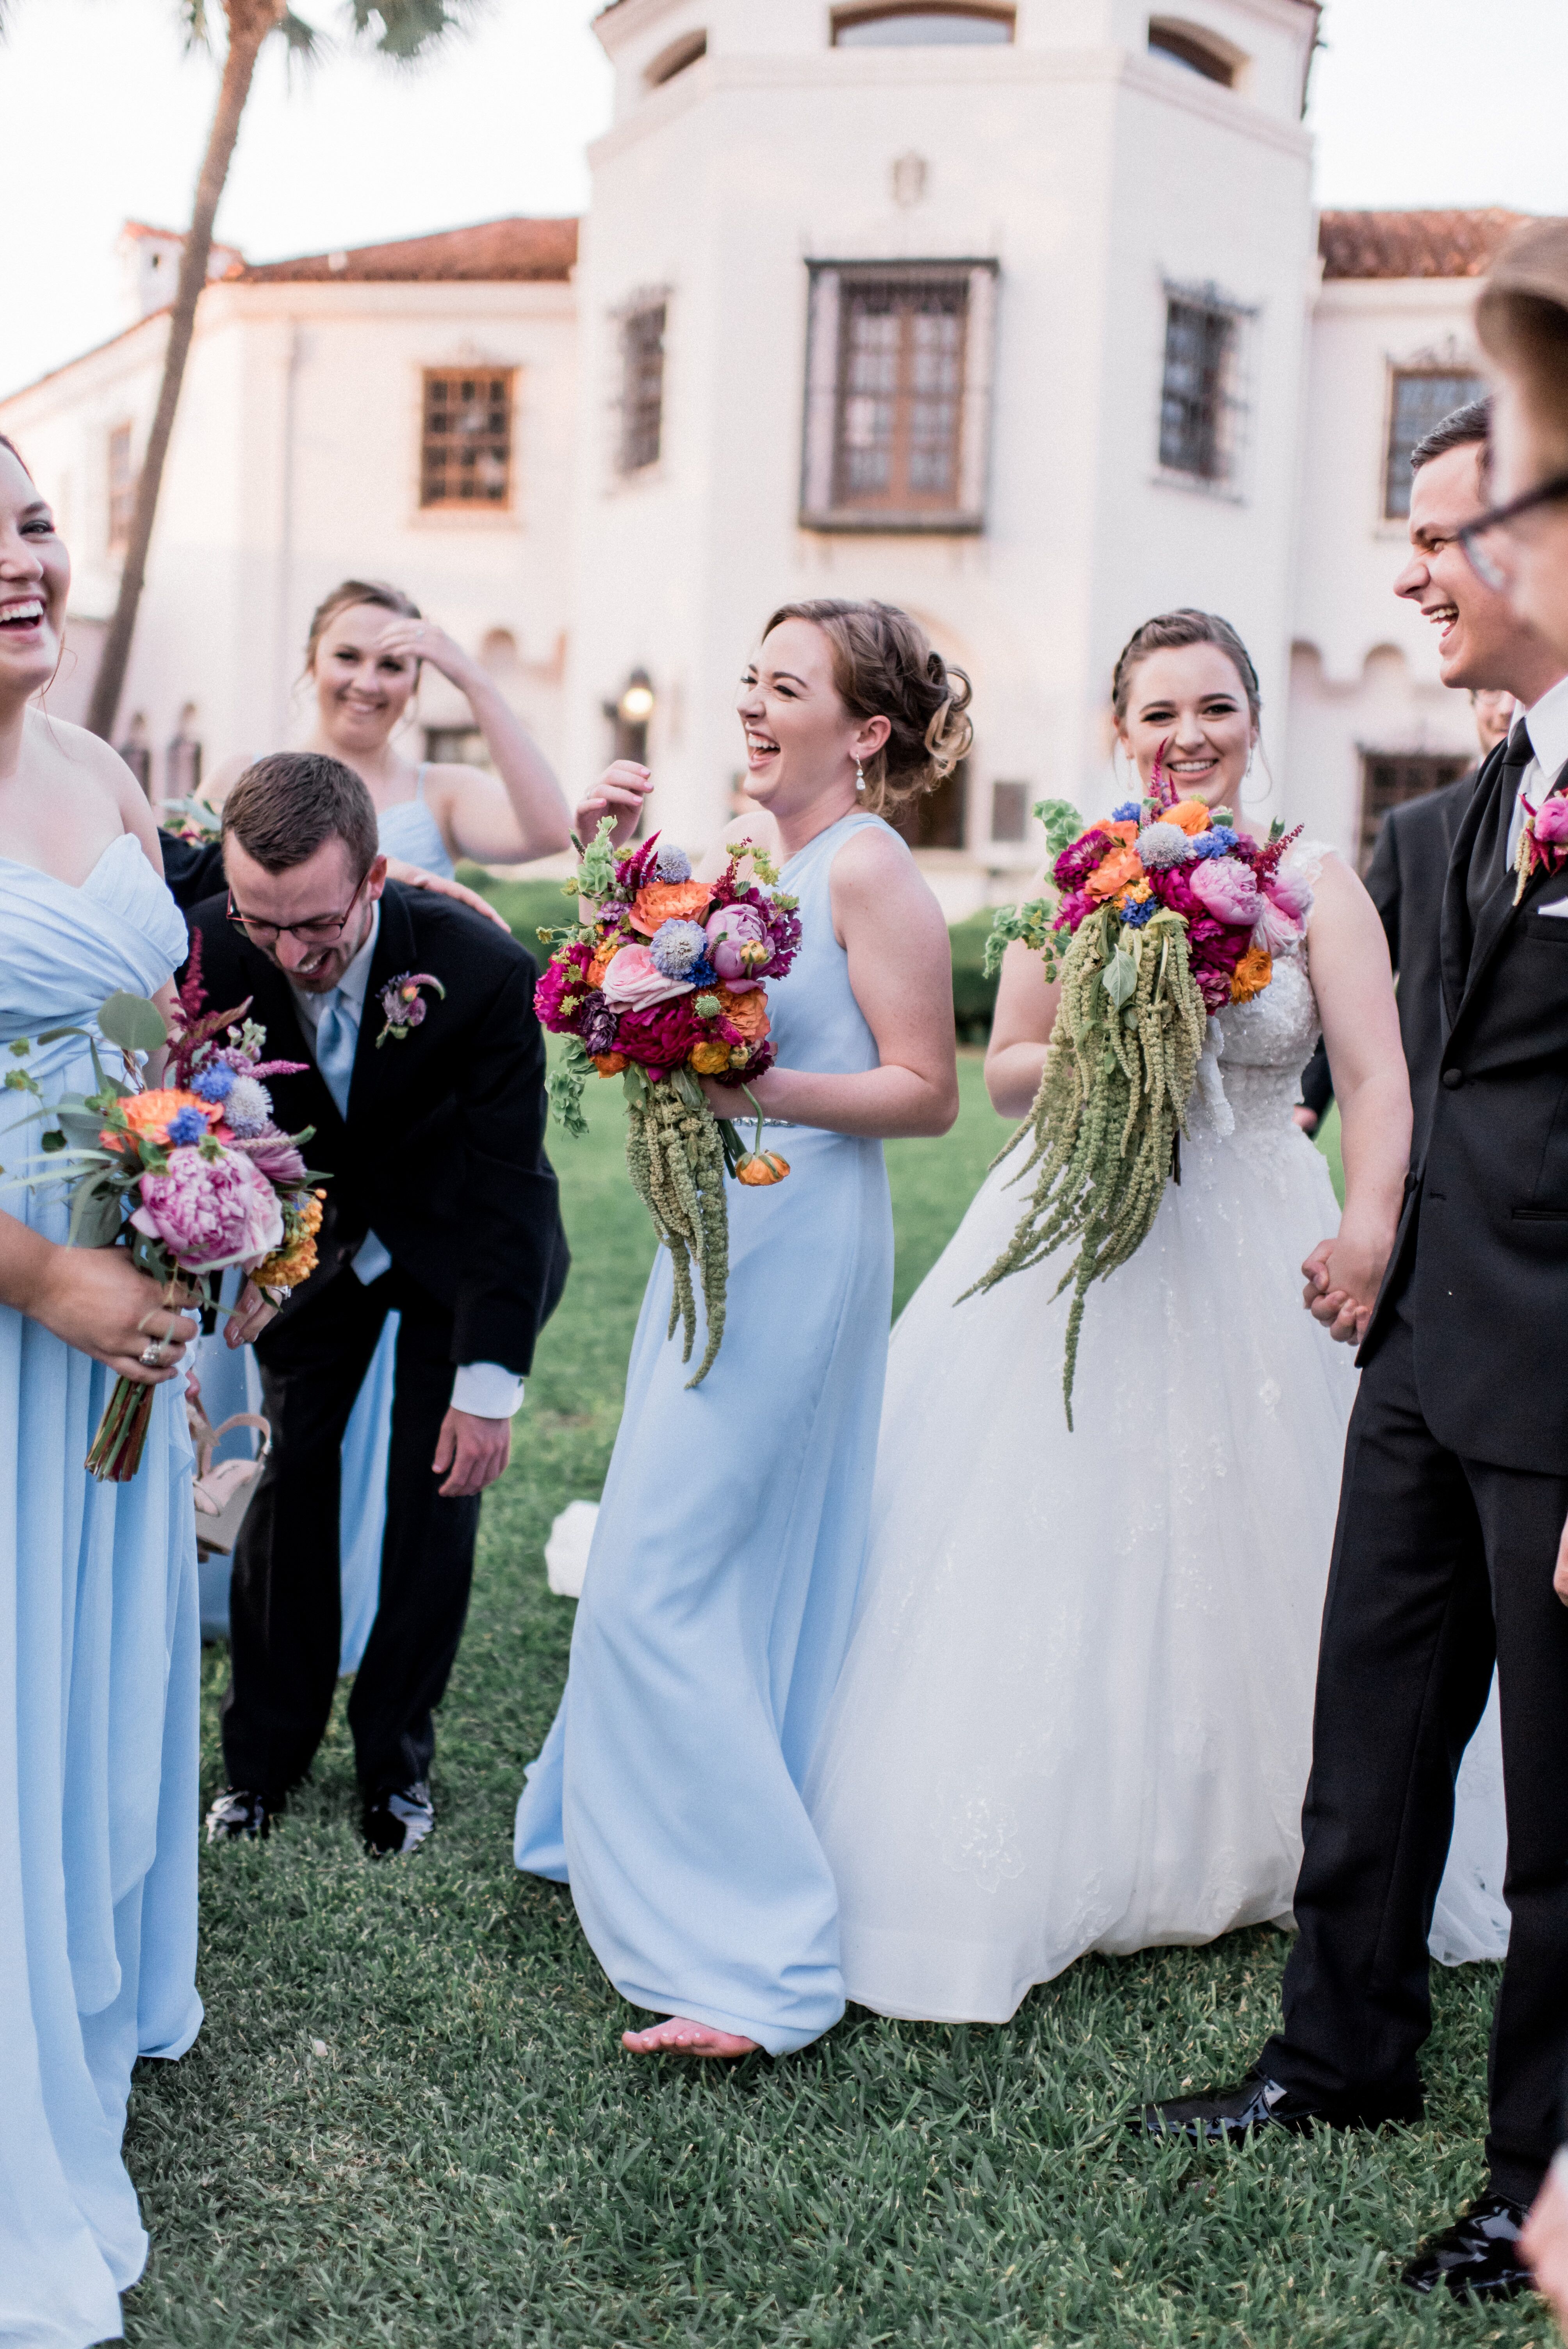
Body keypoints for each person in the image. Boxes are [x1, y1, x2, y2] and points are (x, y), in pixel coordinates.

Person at [1139, 228, 1568, 2307]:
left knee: (1561, 1805)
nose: (1410, 574)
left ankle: (1536, 2179)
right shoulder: (1461, 816)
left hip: (1566, 1394)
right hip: (1414, 1349)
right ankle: (1340, 2059)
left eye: (1438, 531)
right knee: (1374, 1722)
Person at [802, 608, 1429, 2023]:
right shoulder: (1076, 876)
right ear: (1119, 730)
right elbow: (1009, 1066)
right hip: (1083, 1217)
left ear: (1255, 721)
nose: (1187, 736)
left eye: (1213, 707)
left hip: (1262, 1225)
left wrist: (1371, 1218)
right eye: (1158, 713)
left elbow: (1380, 1078)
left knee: (1288, 1535)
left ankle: (1280, 1825)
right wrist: (1124, 1017)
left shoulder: (1318, 882)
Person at [514, 599, 965, 2058]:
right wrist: (609, 879)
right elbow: (646, 981)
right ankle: (613, 1821)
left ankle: (760, 1960)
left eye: (789, 688)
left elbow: (925, 1091)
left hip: (801, 1233)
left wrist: (747, 1095)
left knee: (663, 1572)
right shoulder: (747, 855)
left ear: (867, 730)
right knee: (690, 1538)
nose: (755, 708)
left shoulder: (871, 865)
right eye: (751, 682)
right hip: (713, 1234)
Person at [195, 751, 568, 1854]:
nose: (287, 954)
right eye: (262, 925)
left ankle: (395, 1768)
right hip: (314, 1256)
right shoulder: (217, 941)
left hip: (459, 1255)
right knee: (288, 1485)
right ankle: (260, 1764)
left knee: (434, 1496)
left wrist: (489, 1386)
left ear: (374, 880)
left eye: (312, 925)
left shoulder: (481, 968)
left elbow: (511, 1185)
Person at [0, 433, 213, 2346]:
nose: (19, 562)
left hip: (125, 1309)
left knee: (78, 1665)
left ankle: (74, 1983)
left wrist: (200, 1231)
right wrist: (46, 1271)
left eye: (32, 520)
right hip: (17, 1296)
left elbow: (162, 1045)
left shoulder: (100, 770)